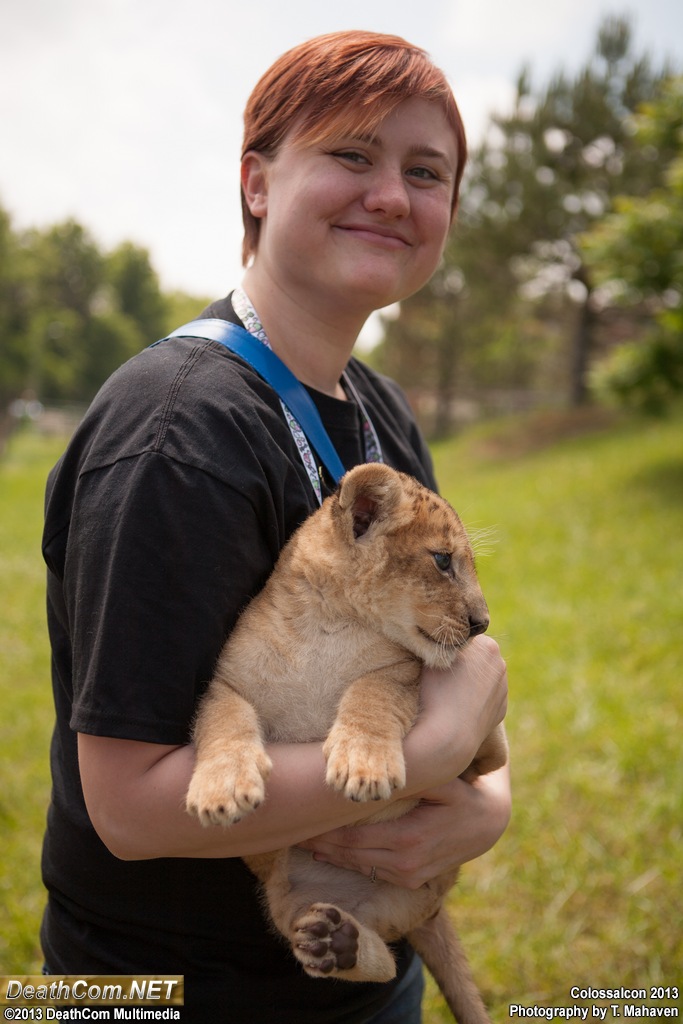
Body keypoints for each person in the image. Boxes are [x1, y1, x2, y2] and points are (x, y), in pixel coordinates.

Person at [40, 30, 510, 1024]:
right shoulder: (178, 433)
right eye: (351, 154)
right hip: (175, 991)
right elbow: (126, 807)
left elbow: (441, 656)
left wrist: (483, 803)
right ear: (256, 183)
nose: (391, 193)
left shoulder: (376, 406)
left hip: (362, 964)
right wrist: (434, 757)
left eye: (425, 172)